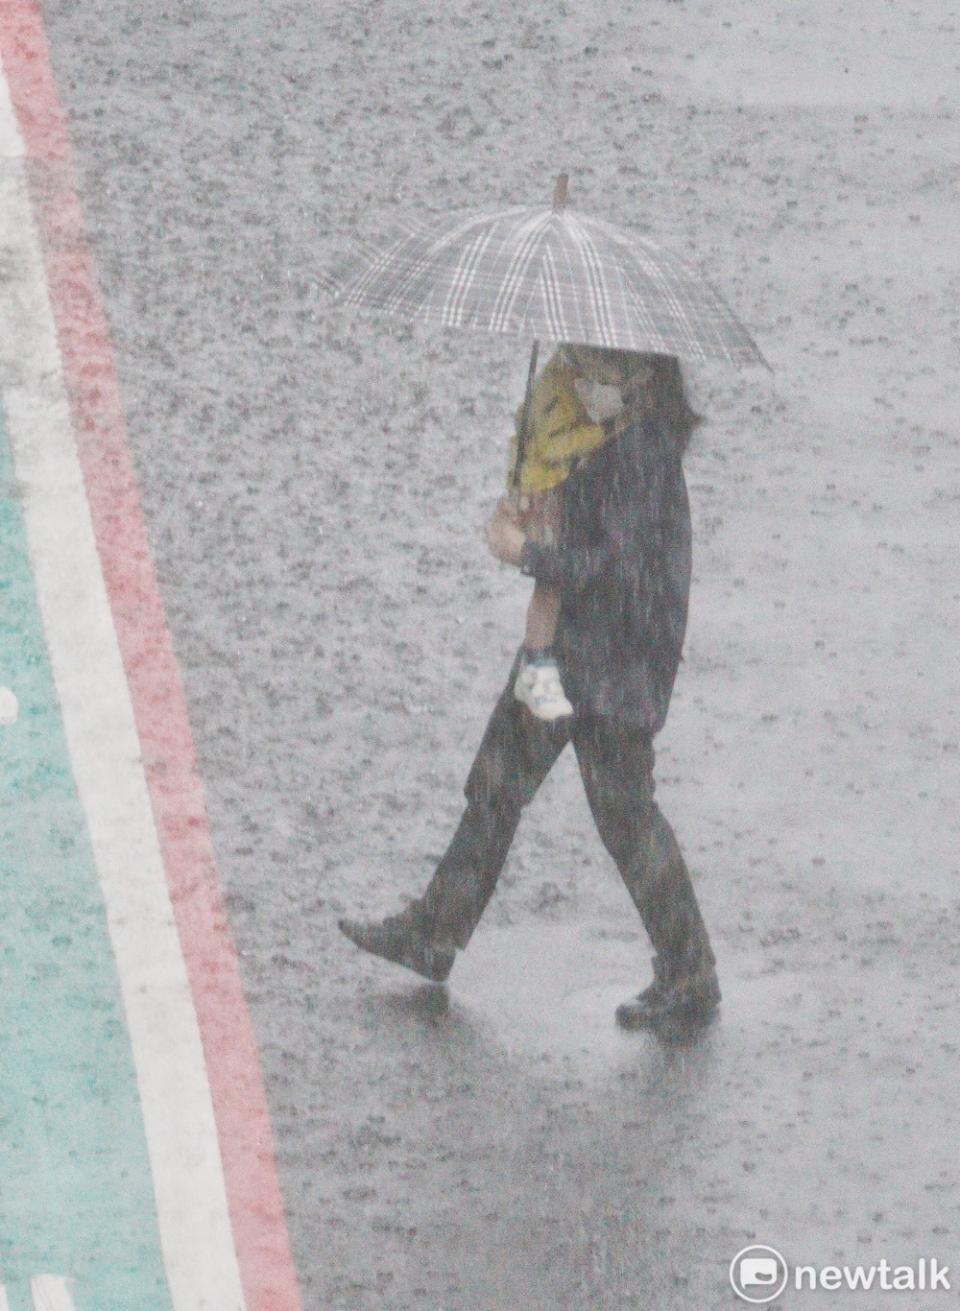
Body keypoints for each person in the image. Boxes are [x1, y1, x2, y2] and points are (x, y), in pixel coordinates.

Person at [339, 345, 721, 1029]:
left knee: (626, 815)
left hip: (615, 661)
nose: (582, 377)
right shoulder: (594, 434)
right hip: (568, 643)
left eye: (598, 368)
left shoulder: (641, 452)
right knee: (497, 782)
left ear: (638, 378)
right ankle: (434, 931)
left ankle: (689, 973)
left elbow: (609, 564)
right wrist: (532, 501)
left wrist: (525, 552)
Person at [508, 346, 629, 721]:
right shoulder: (556, 386)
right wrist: (602, 432)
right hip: (544, 492)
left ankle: (542, 663)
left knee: (556, 578)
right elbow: (552, 443)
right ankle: (537, 665)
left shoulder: (569, 380)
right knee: (550, 581)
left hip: (557, 489)